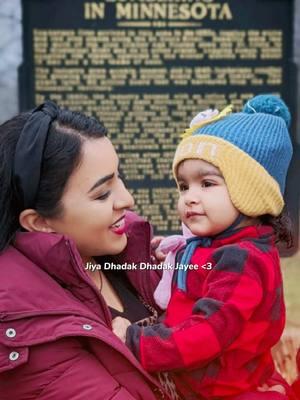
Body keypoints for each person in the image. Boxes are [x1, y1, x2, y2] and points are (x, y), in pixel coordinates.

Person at [114, 94, 298, 399]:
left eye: (207, 184)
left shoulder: (242, 260)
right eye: (184, 186)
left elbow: (207, 334)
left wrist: (134, 340)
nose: (189, 196)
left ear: (250, 194)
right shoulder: (217, 246)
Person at [0, 101, 168, 399]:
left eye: (120, 177)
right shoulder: (24, 325)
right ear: (39, 222)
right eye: (103, 193)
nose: (127, 199)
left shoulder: (132, 253)